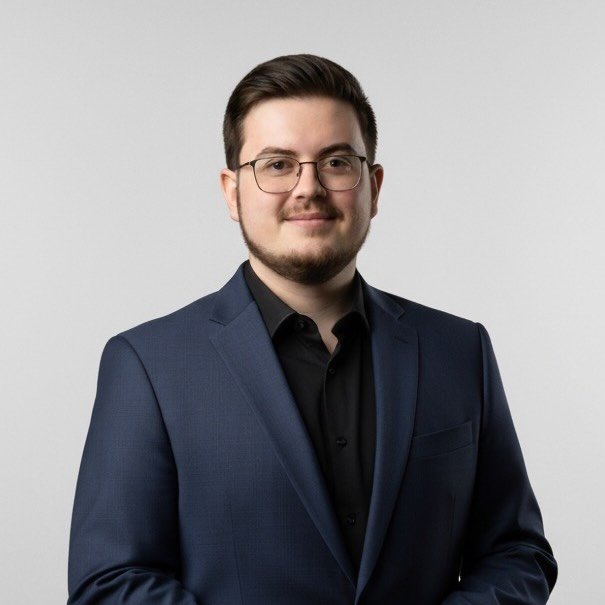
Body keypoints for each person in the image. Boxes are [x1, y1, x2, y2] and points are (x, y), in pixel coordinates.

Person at [67, 54, 557, 604]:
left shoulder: (459, 351)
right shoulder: (147, 365)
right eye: (277, 164)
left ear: (373, 186)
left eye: (336, 162)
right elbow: (110, 582)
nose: (308, 188)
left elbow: (516, 552)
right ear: (232, 192)